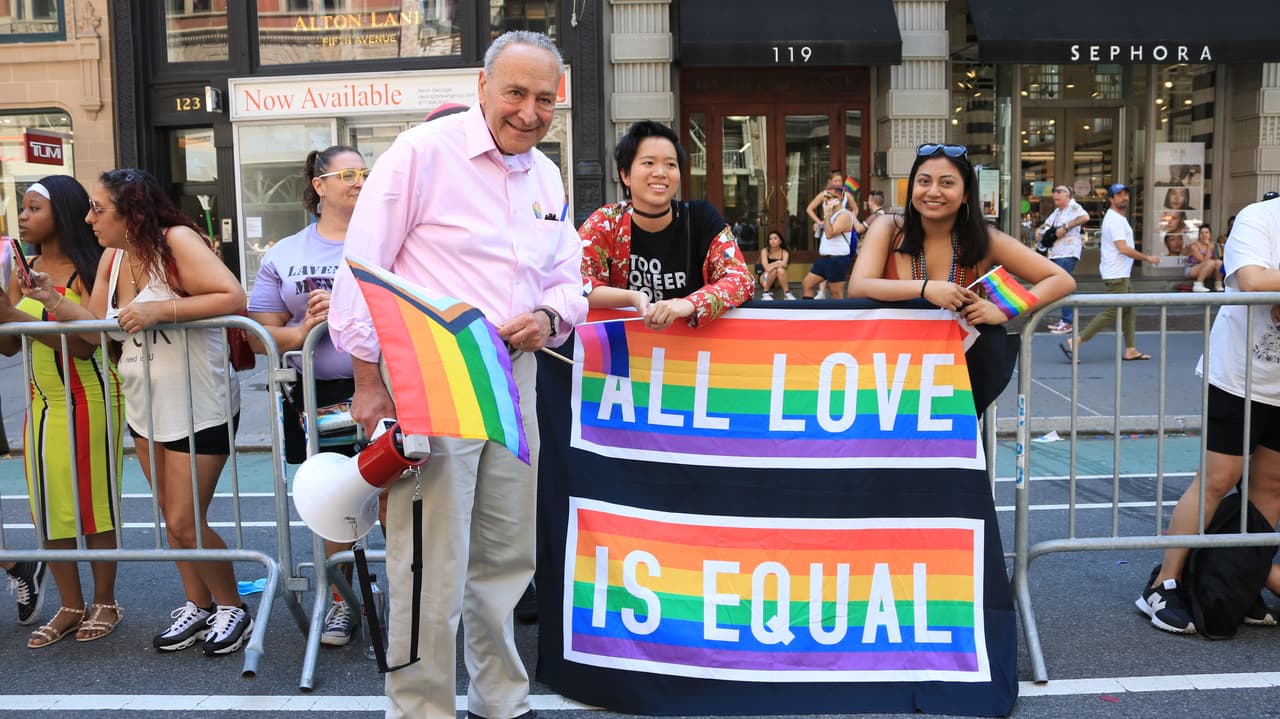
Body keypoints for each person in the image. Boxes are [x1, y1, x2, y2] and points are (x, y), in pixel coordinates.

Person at [327, 31, 588, 719]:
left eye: (544, 99)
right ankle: (420, 708)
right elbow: (362, 266)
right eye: (516, 93)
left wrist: (545, 313)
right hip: (435, 378)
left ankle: (501, 698)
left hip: (517, 373)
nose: (529, 112)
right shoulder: (421, 153)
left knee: (506, 554)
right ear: (482, 85)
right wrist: (368, 383)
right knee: (428, 558)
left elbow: (568, 277)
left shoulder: (546, 174)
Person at [25, 168, 252, 655]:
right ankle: (198, 604)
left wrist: (159, 311)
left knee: (186, 518)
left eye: (99, 209)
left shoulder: (178, 241)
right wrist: (51, 300)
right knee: (172, 520)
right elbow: (91, 331)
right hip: (146, 404)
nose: (88, 219)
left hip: (200, 402)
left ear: (133, 214)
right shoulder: (112, 257)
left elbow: (233, 296)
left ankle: (233, 606)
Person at [1136, 196, 1280, 634]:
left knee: (1271, 486)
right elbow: (1253, 281)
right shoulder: (1260, 218)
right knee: (1218, 479)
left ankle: (1239, 575)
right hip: (1238, 375)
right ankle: (1164, 584)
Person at [247, 145, 366, 647]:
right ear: (320, 186)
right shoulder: (287, 253)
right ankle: (342, 599)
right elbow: (258, 332)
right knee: (333, 495)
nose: (360, 180)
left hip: (392, 387)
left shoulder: (390, 241)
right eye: (349, 173)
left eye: (365, 172)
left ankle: (404, 591)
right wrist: (306, 329)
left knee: (404, 493)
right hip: (317, 394)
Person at [0, 176, 124, 647]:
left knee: (92, 505)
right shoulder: (23, 269)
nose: (24, 216)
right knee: (48, 508)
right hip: (42, 402)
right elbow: (12, 347)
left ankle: (105, 601)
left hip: (90, 397)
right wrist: (2, 314)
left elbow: (87, 345)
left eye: (34, 207)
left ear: (63, 212)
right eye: (23, 208)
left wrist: (17, 316)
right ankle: (70, 605)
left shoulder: (88, 269)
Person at [849, 143, 1073, 324]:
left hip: (962, 368)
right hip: (891, 366)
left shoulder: (987, 239)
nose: (933, 191)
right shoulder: (888, 227)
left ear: (965, 194)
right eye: (924, 181)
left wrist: (1005, 311)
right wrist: (927, 289)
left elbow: (1061, 279)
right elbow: (858, 287)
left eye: (947, 183)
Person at [579, 120, 752, 327]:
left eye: (670, 164)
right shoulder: (606, 222)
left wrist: (688, 304)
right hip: (625, 353)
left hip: (692, 353)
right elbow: (573, 283)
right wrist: (633, 297)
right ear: (625, 175)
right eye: (648, 163)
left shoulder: (701, 218)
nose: (660, 173)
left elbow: (741, 279)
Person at [1060, 183, 1160, 363]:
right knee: (1112, 310)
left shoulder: (1118, 218)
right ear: (1111, 199)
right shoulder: (1114, 219)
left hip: (1121, 273)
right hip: (1116, 274)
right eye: (1119, 195)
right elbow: (1122, 248)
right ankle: (1077, 340)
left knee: (1130, 308)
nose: (1124, 197)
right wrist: (1147, 259)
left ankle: (1130, 349)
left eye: (1125, 194)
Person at [1037, 185, 1089, 334]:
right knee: (1060, 285)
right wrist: (1040, 229)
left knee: (1063, 285)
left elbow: (1085, 217)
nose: (1056, 197)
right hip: (1056, 252)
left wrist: (1066, 227)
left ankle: (1068, 321)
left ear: (1068, 195)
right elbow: (1047, 223)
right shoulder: (1058, 211)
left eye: (1059, 194)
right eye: (1055, 195)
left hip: (1067, 252)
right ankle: (1065, 320)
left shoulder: (1074, 207)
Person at [802, 190, 856, 300]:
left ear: (839, 199)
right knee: (807, 284)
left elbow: (830, 234)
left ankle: (840, 316)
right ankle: (808, 313)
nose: (826, 201)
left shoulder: (844, 215)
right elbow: (826, 231)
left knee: (836, 293)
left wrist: (826, 215)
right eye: (825, 198)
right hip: (825, 259)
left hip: (837, 259)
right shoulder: (831, 214)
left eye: (830, 198)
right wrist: (819, 226)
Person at [1184, 225, 1223, 292]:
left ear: (1210, 235)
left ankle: (1218, 284)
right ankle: (1198, 285)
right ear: (1199, 235)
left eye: (1206, 232)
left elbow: (1218, 260)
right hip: (1192, 269)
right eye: (1201, 233)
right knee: (1210, 262)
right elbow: (1203, 261)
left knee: (1219, 262)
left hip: (1209, 269)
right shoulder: (1194, 246)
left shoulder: (1213, 245)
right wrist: (1209, 248)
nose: (1204, 235)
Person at [756, 230, 793, 300]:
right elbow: (766, 268)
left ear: (780, 241)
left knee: (780, 270)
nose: (772, 241)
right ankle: (765, 293)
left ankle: (787, 293)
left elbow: (785, 265)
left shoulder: (785, 252)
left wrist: (773, 265)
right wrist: (779, 262)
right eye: (770, 239)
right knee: (773, 270)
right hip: (765, 278)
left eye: (775, 238)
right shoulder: (765, 251)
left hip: (778, 281)